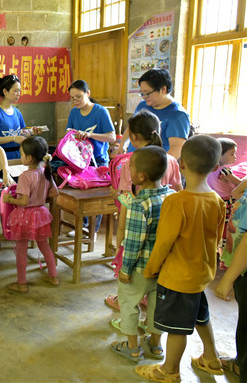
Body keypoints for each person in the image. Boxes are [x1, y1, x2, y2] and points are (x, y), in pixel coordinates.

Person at [136, 135, 226, 382]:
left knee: (176, 328)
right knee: (200, 315)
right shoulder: (217, 200)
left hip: (177, 277)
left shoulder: (176, 201)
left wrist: (151, 269)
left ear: (182, 164)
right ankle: (211, 357)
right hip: (201, 274)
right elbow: (216, 238)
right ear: (216, 167)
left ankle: (169, 371)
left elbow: (164, 242)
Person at [105, 110, 183, 312]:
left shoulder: (131, 162)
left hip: (137, 225)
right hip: (165, 226)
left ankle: (129, 299)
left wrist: (115, 194)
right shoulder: (171, 160)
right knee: (156, 264)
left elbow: (128, 200)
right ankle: (151, 300)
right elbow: (177, 193)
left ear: (134, 137)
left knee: (132, 265)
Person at [109, 146, 175, 363]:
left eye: (131, 167)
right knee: (158, 306)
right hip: (165, 268)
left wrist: (125, 270)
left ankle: (133, 348)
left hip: (139, 269)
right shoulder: (172, 198)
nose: (128, 169)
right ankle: (155, 346)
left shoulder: (139, 205)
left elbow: (134, 242)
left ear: (140, 177)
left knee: (129, 305)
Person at [2, 136, 59, 292]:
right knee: (45, 246)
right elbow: (55, 193)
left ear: (29, 158)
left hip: (24, 216)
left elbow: (23, 201)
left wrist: (9, 198)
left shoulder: (25, 176)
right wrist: (40, 197)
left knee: (21, 249)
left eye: (21, 154)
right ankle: (53, 276)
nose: (21, 157)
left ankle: (21, 283)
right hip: (41, 214)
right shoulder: (45, 172)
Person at [66, 79, 116, 235]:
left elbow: (112, 137)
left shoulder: (100, 112)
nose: (75, 101)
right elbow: (68, 133)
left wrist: (90, 135)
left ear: (88, 93)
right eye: (72, 98)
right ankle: (83, 226)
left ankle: (92, 230)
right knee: (83, 195)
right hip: (80, 160)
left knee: (96, 197)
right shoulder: (74, 112)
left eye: (78, 97)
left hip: (99, 160)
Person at [116, 68, 191, 160]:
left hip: (153, 167)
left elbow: (177, 148)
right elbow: (131, 127)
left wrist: (159, 168)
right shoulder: (143, 105)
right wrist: (123, 144)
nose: (144, 97)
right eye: (142, 93)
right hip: (133, 161)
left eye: (147, 93)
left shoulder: (178, 115)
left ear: (163, 89)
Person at [215, 180, 247, 381]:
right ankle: (239, 362)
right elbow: (236, 192)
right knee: (243, 321)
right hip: (241, 271)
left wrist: (228, 277)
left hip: (243, 270)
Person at [207, 138, 242, 266]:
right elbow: (240, 184)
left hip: (212, 201)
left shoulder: (208, 168)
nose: (235, 157)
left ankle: (215, 256)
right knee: (226, 230)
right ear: (219, 154)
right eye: (232, 154)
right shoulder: (224, 171)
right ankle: (224, 260)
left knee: (216, 229)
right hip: (226, 203)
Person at [0, 74, 37, 162]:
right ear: (5, 91)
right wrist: (13, 138)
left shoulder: (17, 112)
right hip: (0, 157)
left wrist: (32, 132)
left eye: (19, 91)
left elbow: (22, 133)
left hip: (18, 156)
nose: (19, 94)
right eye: (16, 91)